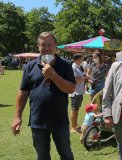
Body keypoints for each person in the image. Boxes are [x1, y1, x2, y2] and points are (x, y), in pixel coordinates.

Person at [11, 32, 75, 160]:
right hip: (38, 121)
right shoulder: (30, 66)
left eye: (50, 45)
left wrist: (53, 75)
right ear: (38, 47)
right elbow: (23, 92)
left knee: (66, 155)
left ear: (55, 46)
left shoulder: (65, 65)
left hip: (60, 121)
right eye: (43, 45)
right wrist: (17, 116)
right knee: (42, 156)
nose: (46, 48)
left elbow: (71, 89)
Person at [70, 54, 88, 133]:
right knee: (74, 110)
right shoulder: (73, 67)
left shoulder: (78, 67)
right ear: (78, 59)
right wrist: (84, 78)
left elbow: (81, 77)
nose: (83, 61)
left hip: (79, 92)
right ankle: (73, 127)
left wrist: (86, 77)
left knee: (76, 110)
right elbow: (76, 80)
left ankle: (75, 125)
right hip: (75, 92)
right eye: (82, 59)